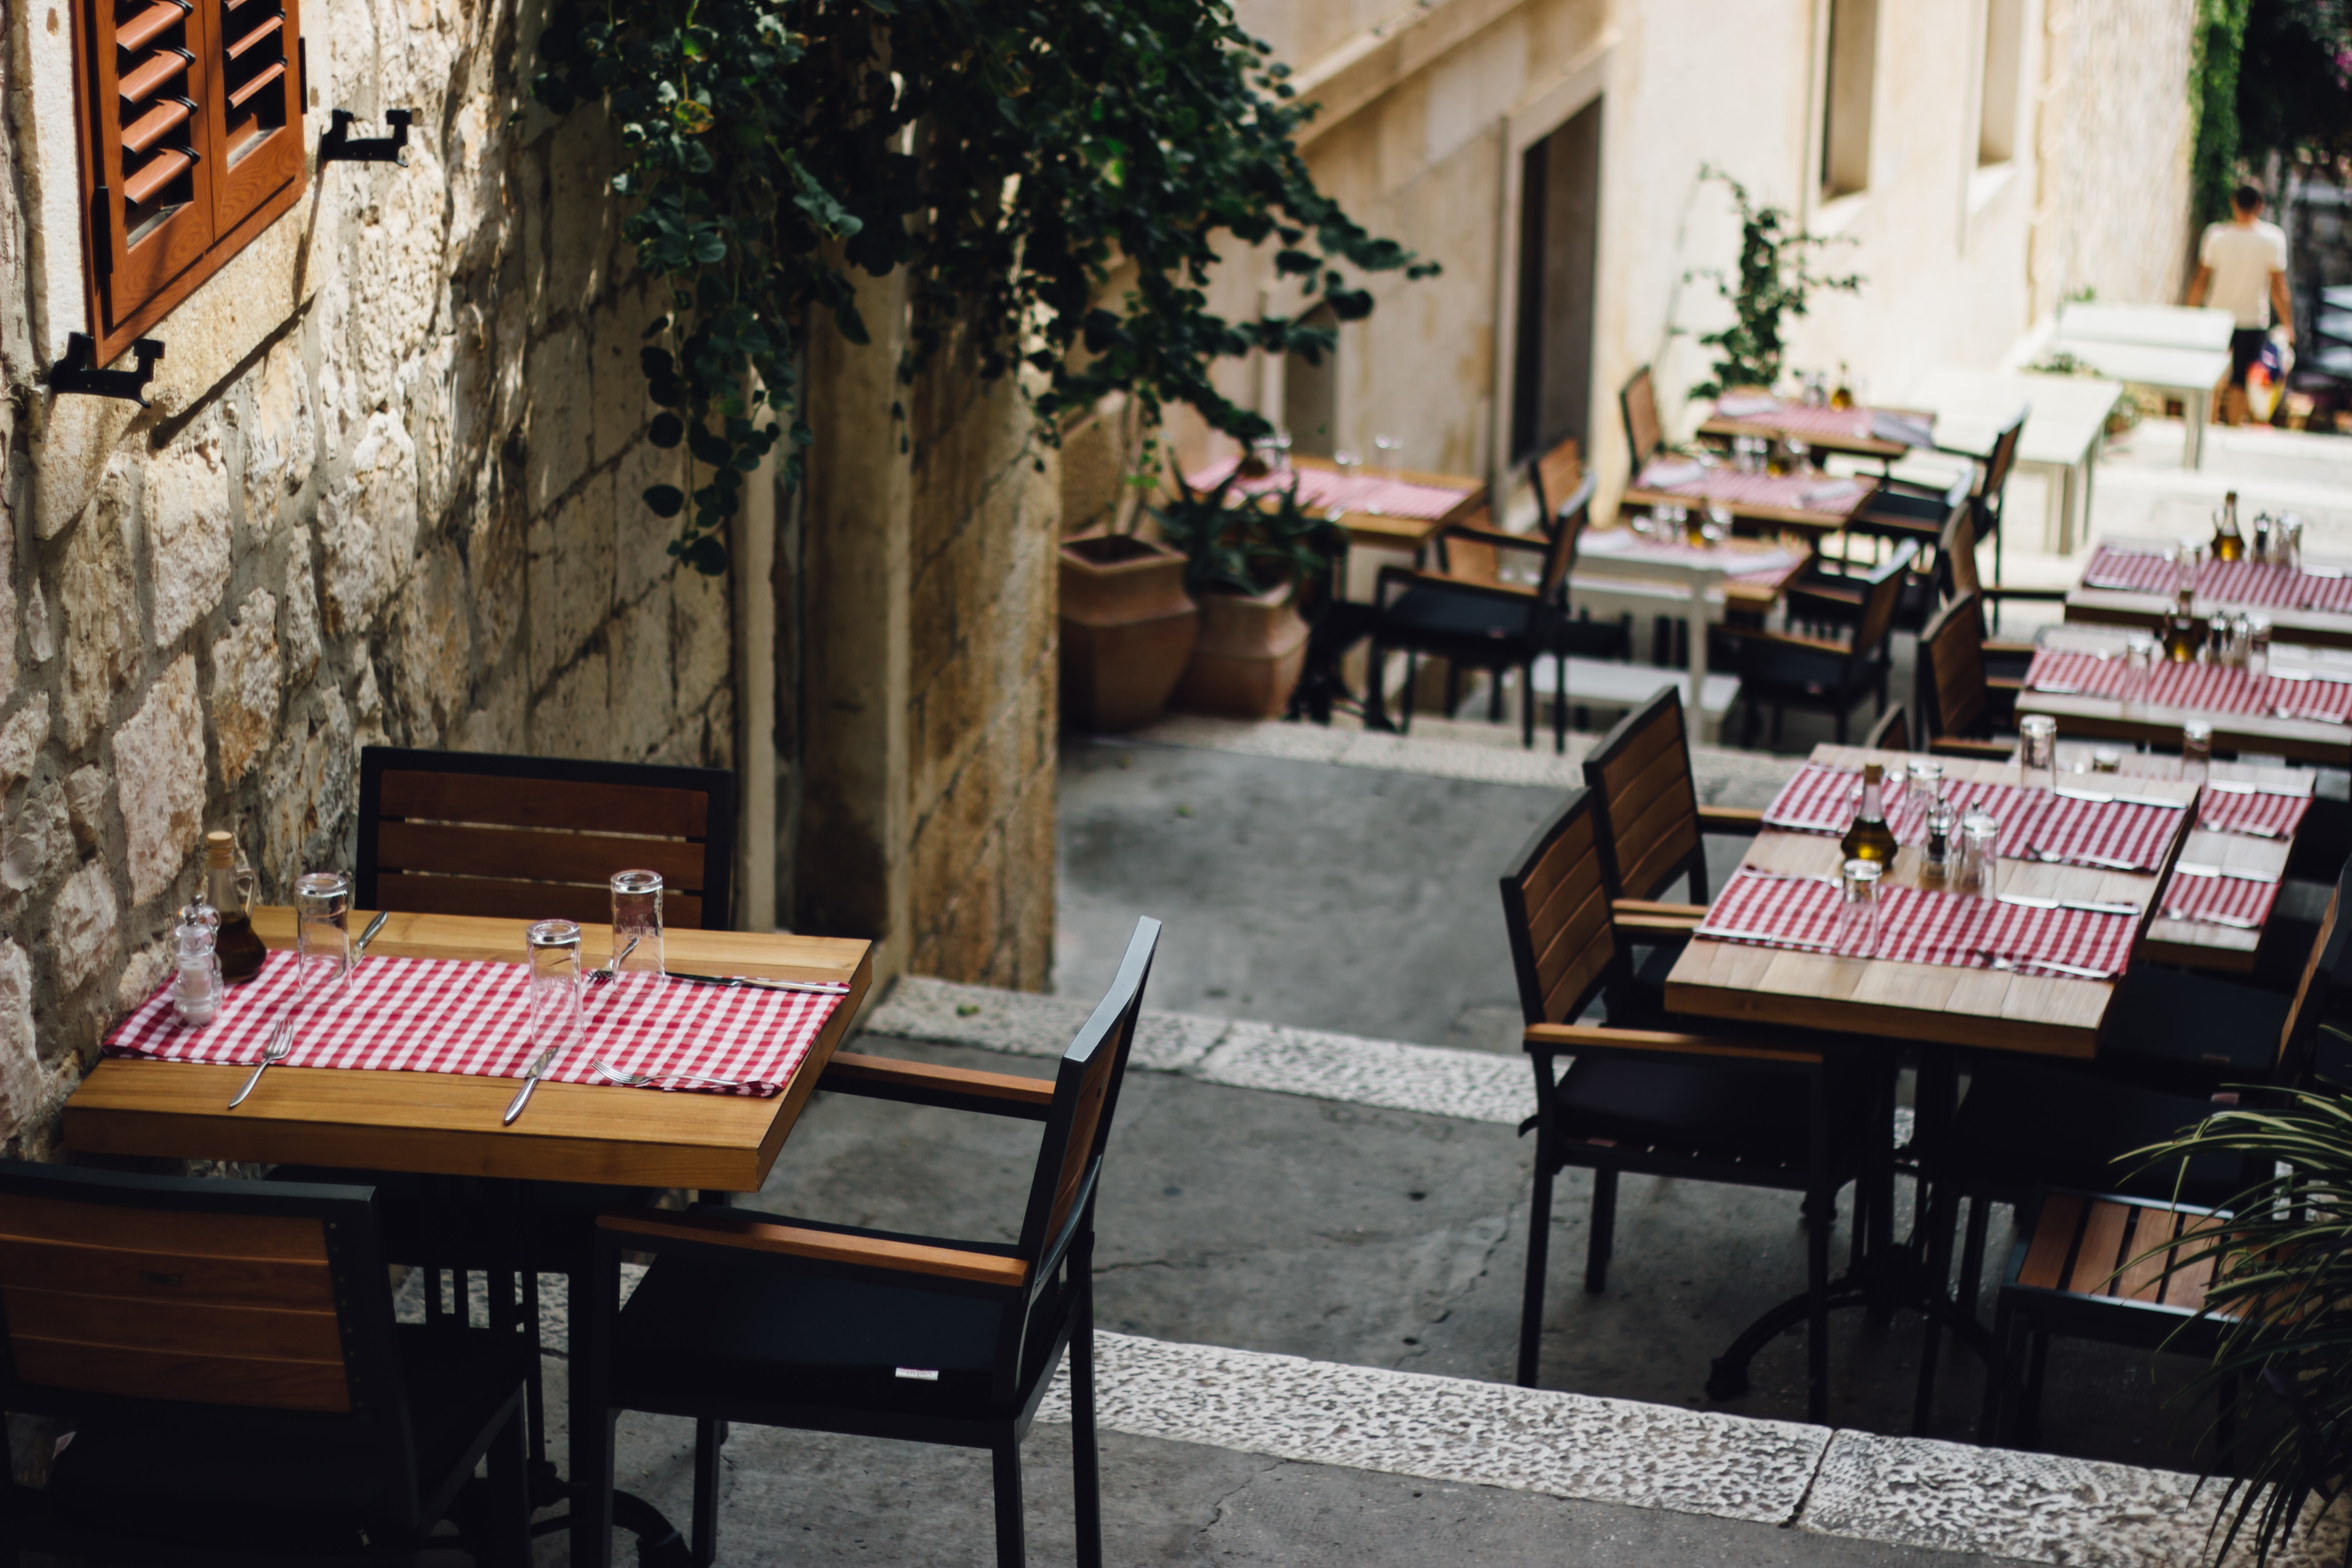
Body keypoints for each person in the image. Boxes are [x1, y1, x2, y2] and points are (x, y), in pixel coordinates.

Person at [2187, 182, 2293, 425]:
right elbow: (2279, 287)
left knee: (2213, 373)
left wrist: (2191, 313)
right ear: (2260, 205)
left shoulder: (2216, 235)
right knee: (2240, 381)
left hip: (2217, 317)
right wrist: (2288, 324)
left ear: (2234, 203)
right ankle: (2233, 429)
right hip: (2253, 318)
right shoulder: (2273, 239)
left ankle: (2208, 426)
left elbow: (2201, 279)